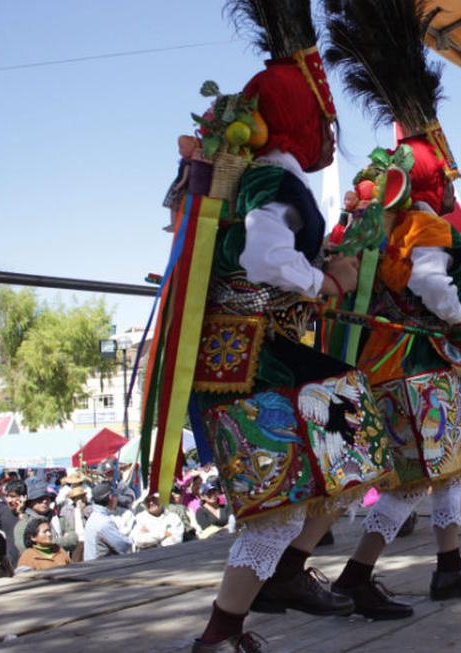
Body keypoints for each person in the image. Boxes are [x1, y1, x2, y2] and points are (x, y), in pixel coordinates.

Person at [168, 3, 396, 649]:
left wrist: (322, 265)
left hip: (248, 351)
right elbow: (262, 258)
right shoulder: (276, 179)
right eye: (324, 121)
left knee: (344, 460)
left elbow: (265, 257)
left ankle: (270, 590)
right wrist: (325, 280)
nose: (331, 135)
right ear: (303, 121)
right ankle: (230, 624)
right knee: (297, 491)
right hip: (250, 357)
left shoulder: (257, 179)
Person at [323, 0, 461, 621]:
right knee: (414, 477)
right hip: (414, 364)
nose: (453, 185)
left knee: (444, 470)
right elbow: (430, 288)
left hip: (392, 363)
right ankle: (356, 575)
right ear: (429, 185)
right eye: (446, 178)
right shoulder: (422, 224)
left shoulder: (376, 227)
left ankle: (448, 564)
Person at [82, 482, 133, 561]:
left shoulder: (94, 517)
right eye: (115, 496)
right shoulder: (104, 522)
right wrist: (135, 538)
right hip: (101, 569)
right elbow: (123, 545)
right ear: (110, 497)